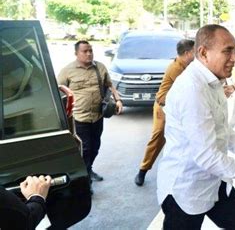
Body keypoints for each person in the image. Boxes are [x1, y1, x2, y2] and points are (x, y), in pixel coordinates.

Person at [156, 24, 235, 229]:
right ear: (203, 53)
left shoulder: (213, 83)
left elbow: (222, 130)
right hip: (186, 188)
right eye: (227, 51)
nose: (234, 59)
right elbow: (206, 156)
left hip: (214, 180)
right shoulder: (192, 90)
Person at [57, 41, 123, 185]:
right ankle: (85, 180)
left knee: (95, 147)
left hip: (97, 116)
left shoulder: (100, 67)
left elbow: (109, 85)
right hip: (79, 117)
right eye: (85, 51)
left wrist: (118, 100)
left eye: (90, 50)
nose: (89, 54)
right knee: (85, 148)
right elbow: (59, 91)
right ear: (76, 53)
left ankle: (89, 169)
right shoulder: (67, 71)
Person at [134, 39, 195, 186]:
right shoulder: (176, 68)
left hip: (178, 108)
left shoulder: (188, 65)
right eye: (194, 52)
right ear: (187, 53)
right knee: (158, 138)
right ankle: (142, 170)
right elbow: (190, 88)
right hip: (164, 107)